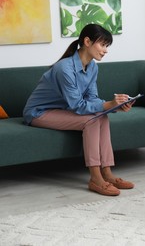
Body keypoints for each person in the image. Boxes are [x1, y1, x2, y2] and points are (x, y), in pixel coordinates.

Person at [23, 24, 134, 196]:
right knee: (92, 120)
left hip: (62, 110)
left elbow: (92, 98)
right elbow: (78, 105)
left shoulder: (92, 67)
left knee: (102, 116)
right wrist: (109, 105)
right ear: (87, 41)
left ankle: (108, 174)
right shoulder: (64, 68)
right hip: (40, 112)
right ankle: (96, 179)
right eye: (102, 45)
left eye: (107, 46)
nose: (105, 51)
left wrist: (116, 106)